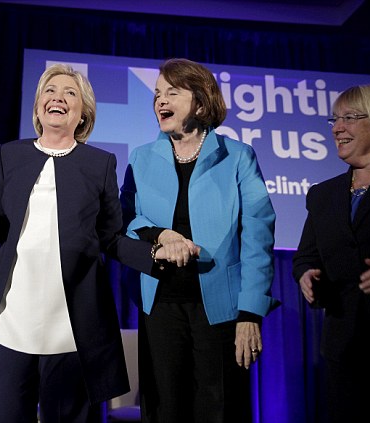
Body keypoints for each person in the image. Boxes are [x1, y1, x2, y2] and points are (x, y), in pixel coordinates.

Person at [0, 63, 165, 423]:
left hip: (70, 329)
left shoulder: (99, 164)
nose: (57, 97)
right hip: (12, 321)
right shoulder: (9, 154)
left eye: (69, 93)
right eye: (50, 91)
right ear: (38, 106)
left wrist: (154, 255)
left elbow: (110, 237)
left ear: (82, 115)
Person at [120, 58, 279, 423]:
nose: (160, 101)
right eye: (157, 94)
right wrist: (159, 234)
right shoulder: (141, 158)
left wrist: (250, 313)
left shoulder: (238, 157)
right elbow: (126, 220)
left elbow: (258, 236)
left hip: (222, 311)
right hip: (159, 306)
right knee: (164, 410)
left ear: (202, 103)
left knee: (219, 408)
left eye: (172, 93)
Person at [292, 84, 370, 423]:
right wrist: (305, 274)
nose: (337, 128)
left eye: (350, 118)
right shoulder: (323, 195)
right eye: (335, 119)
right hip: (345, 346)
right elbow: (305, 256)